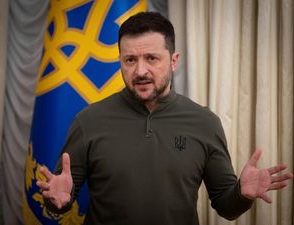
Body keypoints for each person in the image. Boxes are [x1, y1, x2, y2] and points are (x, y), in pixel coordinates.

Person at [36, 12, 293, 225]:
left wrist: (242, 194)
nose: (140, 70)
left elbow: (227, 207)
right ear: (120, 62)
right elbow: (60, 200)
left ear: (173, 60)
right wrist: (57, 199)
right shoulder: (88, 121)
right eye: (130, 60)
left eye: (151, 58)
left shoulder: (205, 123)